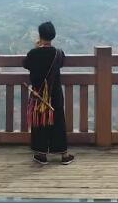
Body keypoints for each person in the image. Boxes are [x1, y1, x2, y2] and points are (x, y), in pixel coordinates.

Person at [22, 21, 74, 165]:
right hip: (55, 93)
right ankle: (64, 155)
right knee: (58, 121)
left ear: (40, 35)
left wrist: (36, 48)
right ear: (53, 36)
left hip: (39, 95)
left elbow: (25, 64)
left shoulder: (33, 53)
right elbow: (61, 63)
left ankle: (41, 155)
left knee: (40, 122)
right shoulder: (58, 54)